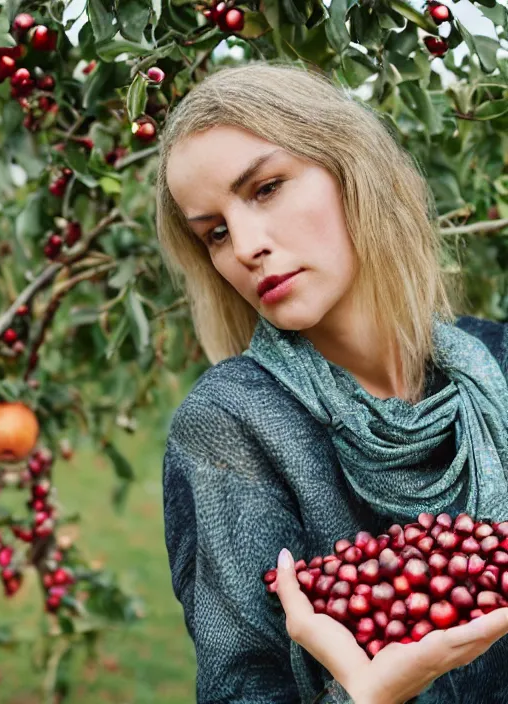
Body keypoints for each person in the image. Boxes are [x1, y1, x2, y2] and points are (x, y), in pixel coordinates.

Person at [155, 60, 508, 703]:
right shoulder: (235, 424)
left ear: (352, 169)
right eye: (215, 232)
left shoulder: (499, 361)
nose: (246, 246)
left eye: (265, 189)